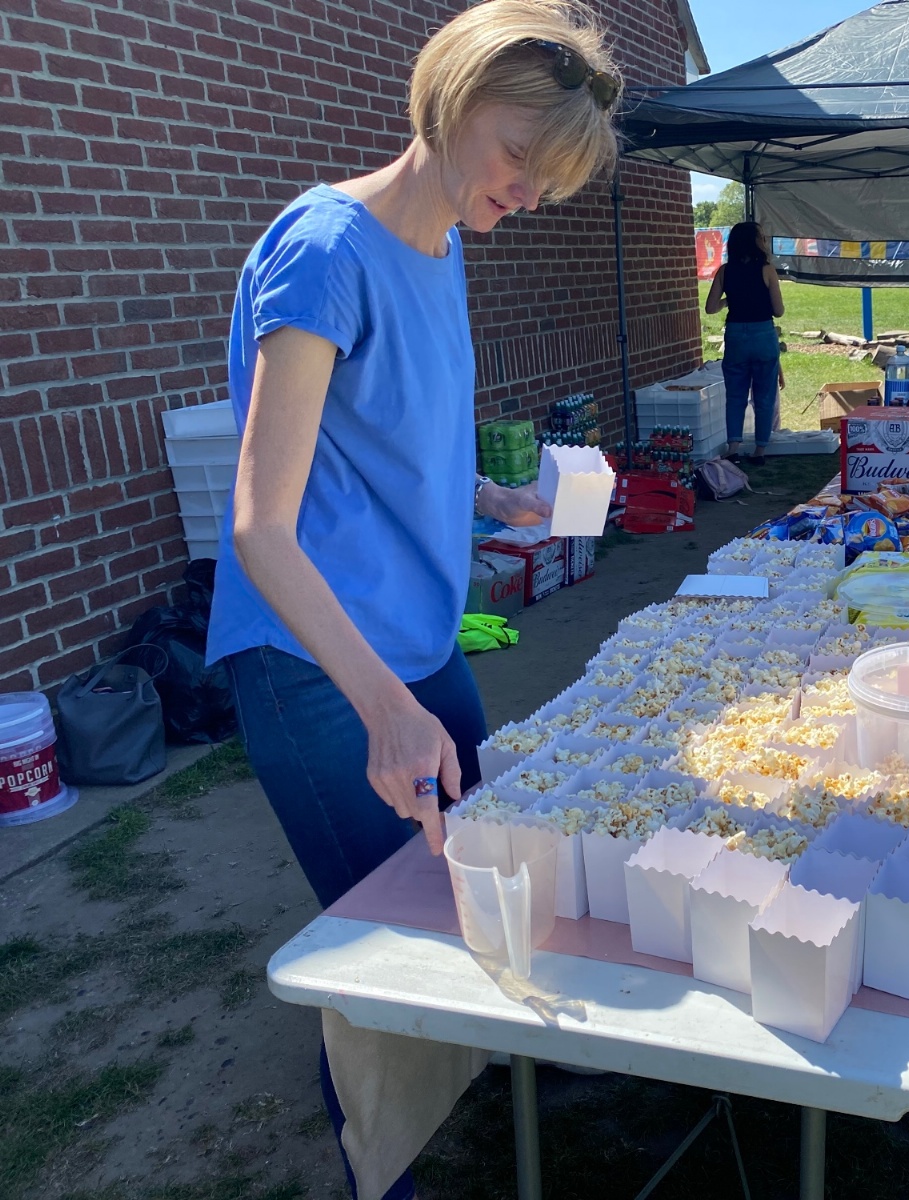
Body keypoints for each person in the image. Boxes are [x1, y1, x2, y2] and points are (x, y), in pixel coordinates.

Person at [204, 2, 620, 1195]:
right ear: (452, 96)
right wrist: (385, 708)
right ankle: (385, 1156)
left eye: (550, 182)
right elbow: (263, 526)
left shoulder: (440, 246)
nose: (528, 195)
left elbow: (383, 448)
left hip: (419, 644)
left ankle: (495, 1084)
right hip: (318, 667)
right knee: (387, 939)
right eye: (520, 158)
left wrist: (491, 501)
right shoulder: (325, 248)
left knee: (487, 878)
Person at [704, 221, 785, 465]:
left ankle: (733, 447)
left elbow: (710, 308)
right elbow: (778, 310)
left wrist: (729, 300)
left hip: (736, 335)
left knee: (736, 395)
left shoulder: (724, 271)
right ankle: (760, 450)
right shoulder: (767, 270)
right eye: (762, 237)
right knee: (764, 395)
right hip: (763, 335)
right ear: (756, 242)